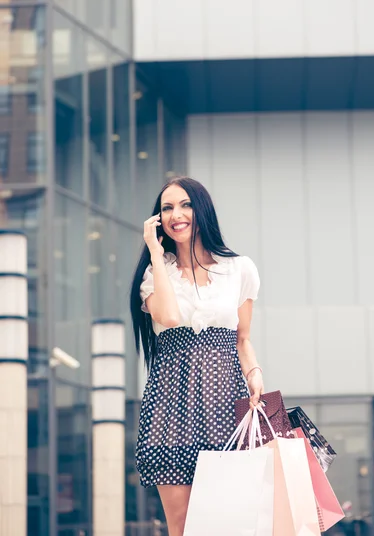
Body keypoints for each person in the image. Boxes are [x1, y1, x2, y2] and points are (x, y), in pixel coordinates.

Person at [130, 176, 263, 536]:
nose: (177, 214)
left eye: (185, 204)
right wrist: (156, 254)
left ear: (201, 209)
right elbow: (170, 318)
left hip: (226, 407)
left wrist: (255, 375)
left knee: (230, 522)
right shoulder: (155, 276)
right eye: (167, 208)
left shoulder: (239, 269)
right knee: (183, 525)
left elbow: (242, 339)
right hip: (170, 410)